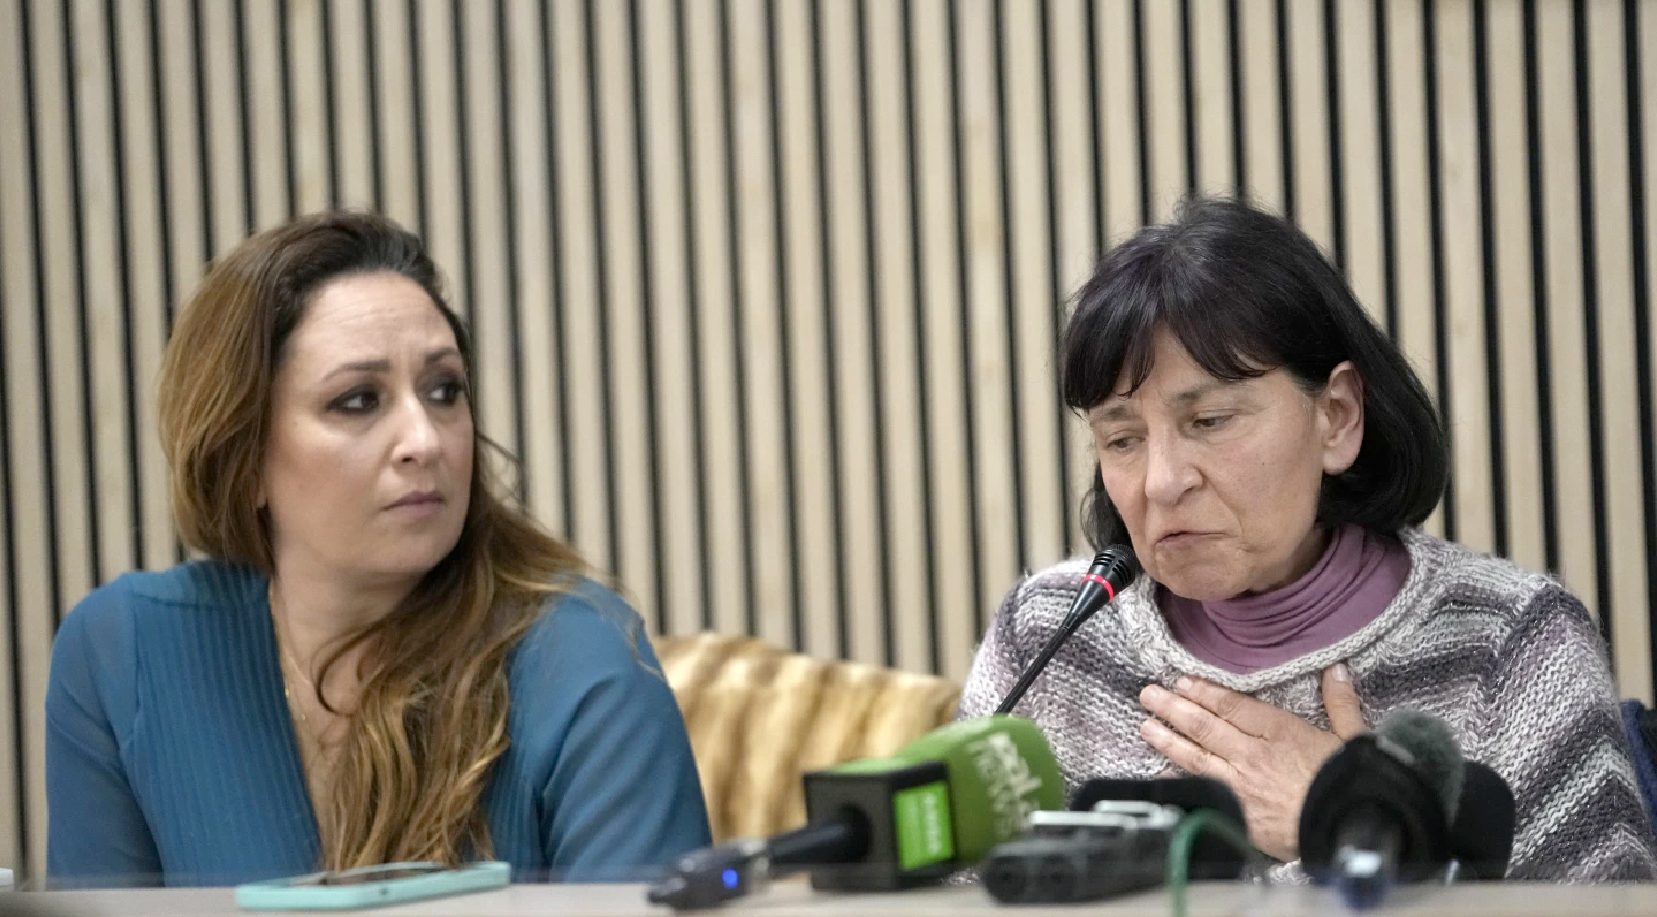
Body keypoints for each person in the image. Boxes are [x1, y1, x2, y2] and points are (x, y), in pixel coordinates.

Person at [957, 198, 1657, 881]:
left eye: (1209, 421)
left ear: (1337, 416)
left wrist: (1360, 829)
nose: (1162, 482)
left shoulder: (1511, 644)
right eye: (1121, 438)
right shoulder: (1049, 637)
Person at [45, 211, 711, 887]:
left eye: (444, 390)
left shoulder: (583, 659)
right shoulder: (124, 653)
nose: (424, 439)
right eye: (358, 400)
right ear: (242, 459)